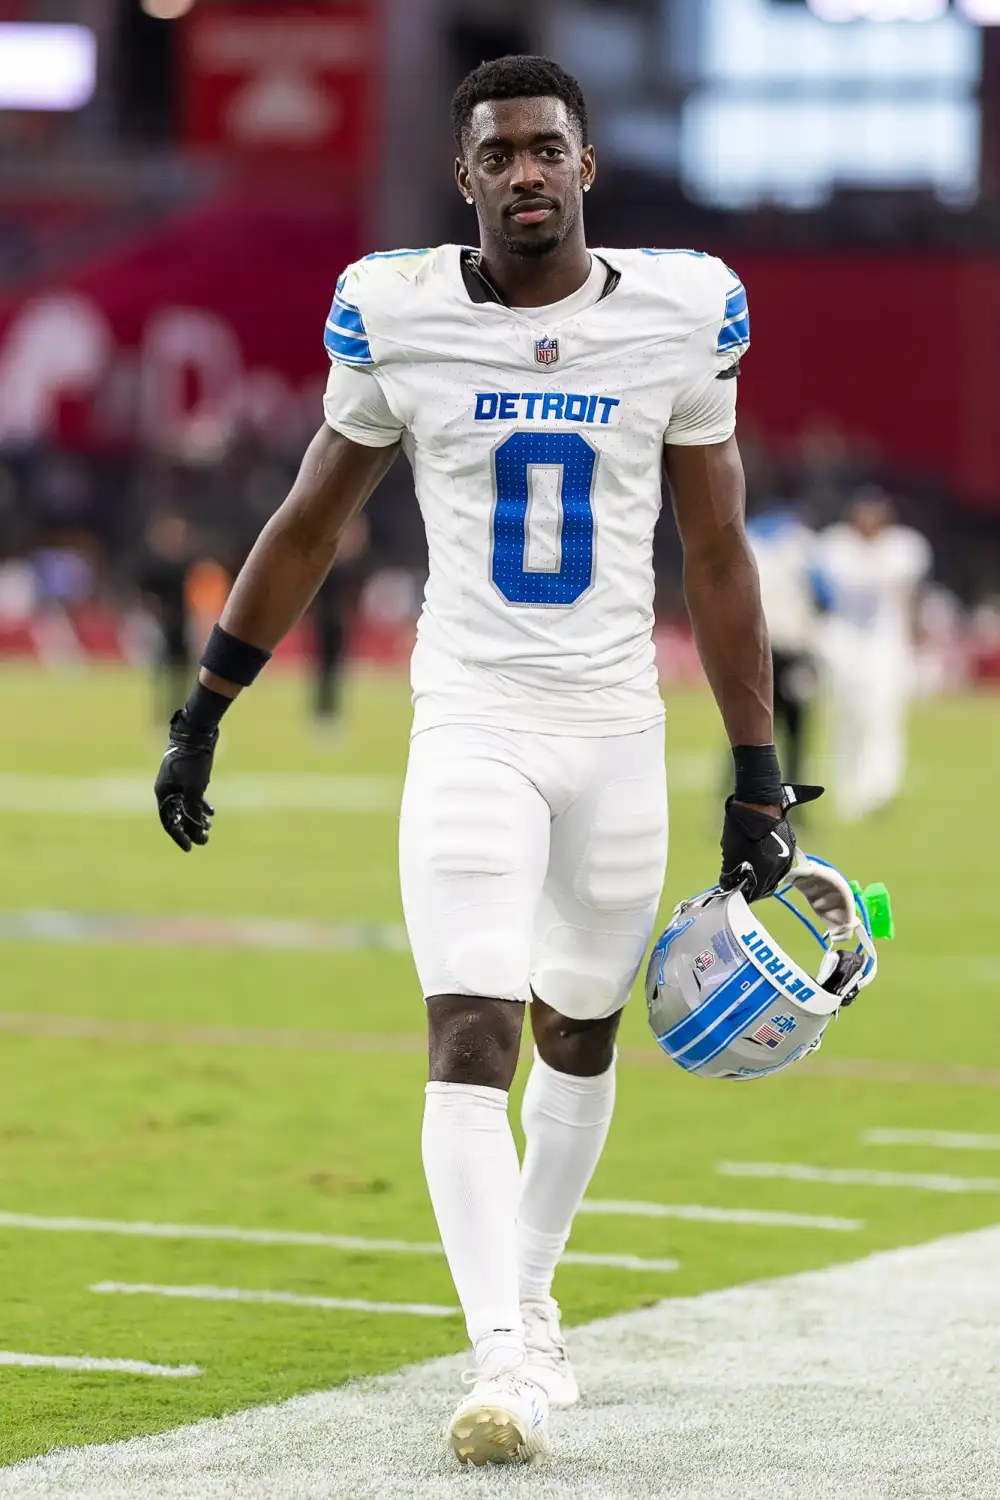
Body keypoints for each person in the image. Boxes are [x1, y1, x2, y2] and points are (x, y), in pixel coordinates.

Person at [154, 55, 815, 1467]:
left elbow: (715, 553)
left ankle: (533, 1297)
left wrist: (757, 767)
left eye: (546, 149)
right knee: (470, 1034)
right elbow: (309, 523)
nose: (525, 172)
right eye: (499, 153)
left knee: (580, 1031)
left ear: (586, 165)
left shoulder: (681, 312)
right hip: (471, 720)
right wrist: (206, 706)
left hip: (616, 729)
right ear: (462, 176)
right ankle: (501, 1356)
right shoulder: (395, 311)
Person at [816, 488, 931, 821]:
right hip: (843, 643)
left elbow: (907, 591)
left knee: (883, 713)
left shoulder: (904, 547)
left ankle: (879, 788)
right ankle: (847, 790)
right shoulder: (835, 545)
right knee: (846, 716)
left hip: (885, 644)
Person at [746, 506, 829, 786]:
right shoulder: (804, 545)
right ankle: (794, 794)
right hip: (794, 647)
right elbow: (825, 595)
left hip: (757, 647)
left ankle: (736, 792)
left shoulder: (747, 540)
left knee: (749, 726)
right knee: (795, 728)